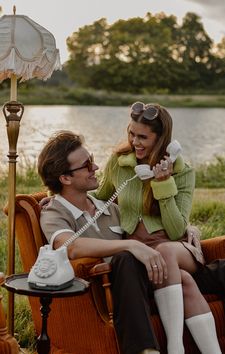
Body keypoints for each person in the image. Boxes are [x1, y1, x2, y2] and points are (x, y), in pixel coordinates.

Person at [93, 101, 222, 354]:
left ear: (162, 139)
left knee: (165, 250)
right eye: (131, 133)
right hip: (142, 256)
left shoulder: (183, 173)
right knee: (183, 282)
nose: (135, 141)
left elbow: (176, 230)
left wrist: (162, 186)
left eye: (143, 137)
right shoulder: (120, 164)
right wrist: (58, 196)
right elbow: (100, 197)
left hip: (178, 249)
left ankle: (175, 348)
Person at [38, 130, 163, 354]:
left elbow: (151, 232)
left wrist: (187, 228)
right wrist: (129, 245)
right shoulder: (53, 212)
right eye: (87, 165)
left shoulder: (109, 208)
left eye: (93, 160)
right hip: (111, 293)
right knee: (124, 259)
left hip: (149, 282)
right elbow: (70, 246)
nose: (95, 168)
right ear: (65, 178)